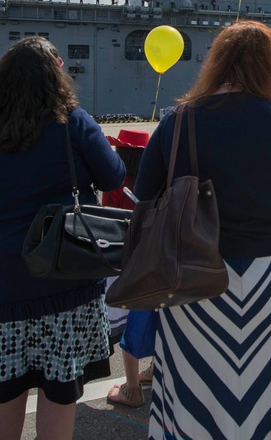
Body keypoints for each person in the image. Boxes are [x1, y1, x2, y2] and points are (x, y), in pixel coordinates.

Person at [133, 21, 271, 438]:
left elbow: (143, 196)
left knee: (195, 395)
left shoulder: (178, 120)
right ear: (268, 68)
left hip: (193, 279)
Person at [0, 36, 125, 439]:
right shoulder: (72, 121)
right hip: (61, 266)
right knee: (59, 387)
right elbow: (114, 176)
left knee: (2, 389)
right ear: (56, 76)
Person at [102, 129, 155, 408]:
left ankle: (132, 388)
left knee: (126, 326)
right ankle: (155, 370)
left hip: (124, 264)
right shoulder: (154, 182)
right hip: (154, 262)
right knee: (157, 313)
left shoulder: (115, 185)